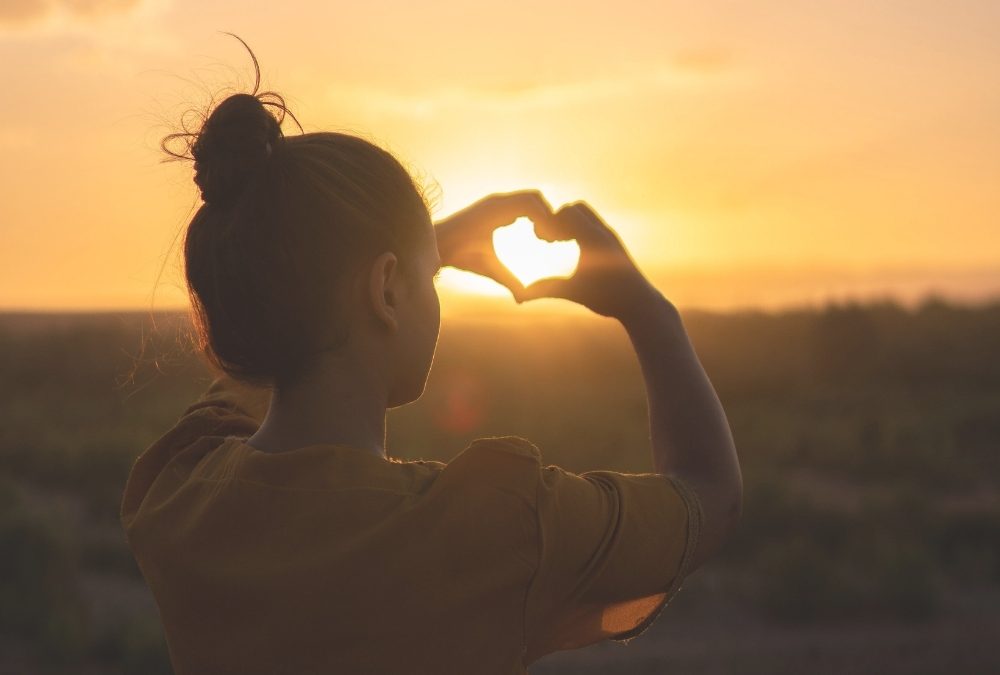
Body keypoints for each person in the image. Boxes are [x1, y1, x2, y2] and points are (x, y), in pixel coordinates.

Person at [120, 41, 742, 675]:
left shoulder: (176, 494)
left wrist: (411, 252)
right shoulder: (494, 528)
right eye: (430, 277)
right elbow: (709, 496)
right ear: (387, 290)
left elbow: (275, 345)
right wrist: (648, 311)